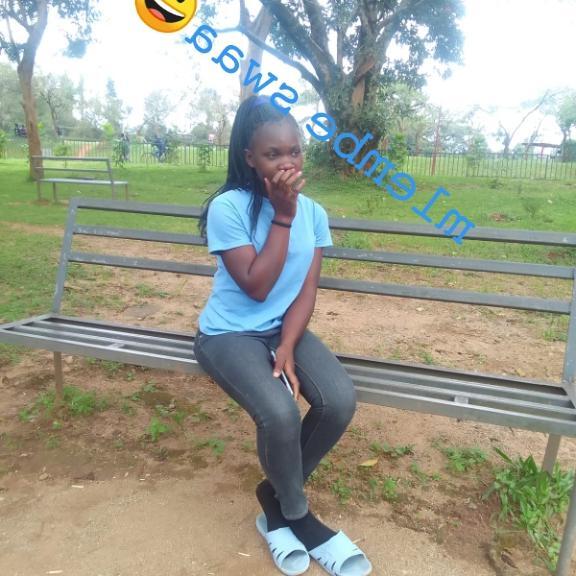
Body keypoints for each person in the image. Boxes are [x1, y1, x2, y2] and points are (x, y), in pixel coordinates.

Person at [194, 94, 372, 576]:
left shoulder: (314, 212)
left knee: (339, 401)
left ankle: (272, 497)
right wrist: (282, 215)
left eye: (294, 151)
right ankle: (298, 516)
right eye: (273, 154)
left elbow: (306, 288)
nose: (287, 162)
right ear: (250, 158)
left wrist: (289, 345)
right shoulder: (229, 208)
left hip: (283, 329)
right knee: (279, 413)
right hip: (228, 335)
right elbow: (256, 286)